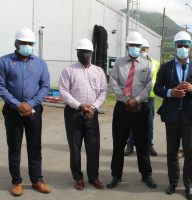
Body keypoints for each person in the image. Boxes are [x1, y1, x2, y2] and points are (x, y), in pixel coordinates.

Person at [154, 31, 192, 200]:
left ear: (189, 48)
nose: (183, 49)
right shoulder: (166, 67)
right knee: (171, 151)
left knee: (191, 152)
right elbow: (157, 89)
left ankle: (189, 185)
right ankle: (172, 182)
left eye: (186, 46)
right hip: (172, 116)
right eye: (180, 45)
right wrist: (170, 92)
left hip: (191, 116)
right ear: (175, 47)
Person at [0, 27, 51, 196]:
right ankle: (16, 182)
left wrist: (30, 104)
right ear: (16, 43)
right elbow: (1, 87)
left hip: (34, 111)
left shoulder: (40, 63)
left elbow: (44, 87)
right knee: (14, 147)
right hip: (13, 111)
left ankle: (37, 179)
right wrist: (17, 105)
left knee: (35, 146)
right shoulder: (4, 62)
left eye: (30, 43)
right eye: (24, 43)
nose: (27, 46)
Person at [108, 31, 157, 189]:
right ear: (127, 46)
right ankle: (116, 175)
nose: (134, 48)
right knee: (118, 143)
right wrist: (125, 99)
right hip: (122, 108)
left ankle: (146, 175)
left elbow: (148, 86)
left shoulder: (146, 64)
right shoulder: (119, 63)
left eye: (137, 45)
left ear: (141, 47)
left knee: (142, 144)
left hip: (140, 109)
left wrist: (136, 100)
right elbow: (113, 82)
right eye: (132, 45)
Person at [58, 38, 108, 190]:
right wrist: (80, 106)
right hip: (73, 114)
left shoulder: (98, 71)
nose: (85, 55)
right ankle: (78, 178)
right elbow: (64, 91)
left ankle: (94, 177)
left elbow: (103, 91)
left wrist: (92, 107)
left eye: (87, 52)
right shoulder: (69, 70)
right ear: (77, 53)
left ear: (92, 53)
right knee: (75, 147)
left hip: (92, 114)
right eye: (82, 52)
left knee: (93, 147)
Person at [124, 39, 159, 156]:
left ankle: (149, 146)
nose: (143, 51)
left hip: (149, 99)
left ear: (148, 49)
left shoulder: (155, 63)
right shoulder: (132, 62)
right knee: (131, 123)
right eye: (141, 49)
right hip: (134, 98)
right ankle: (130, 146)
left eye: (145, 49)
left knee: (149, 124)